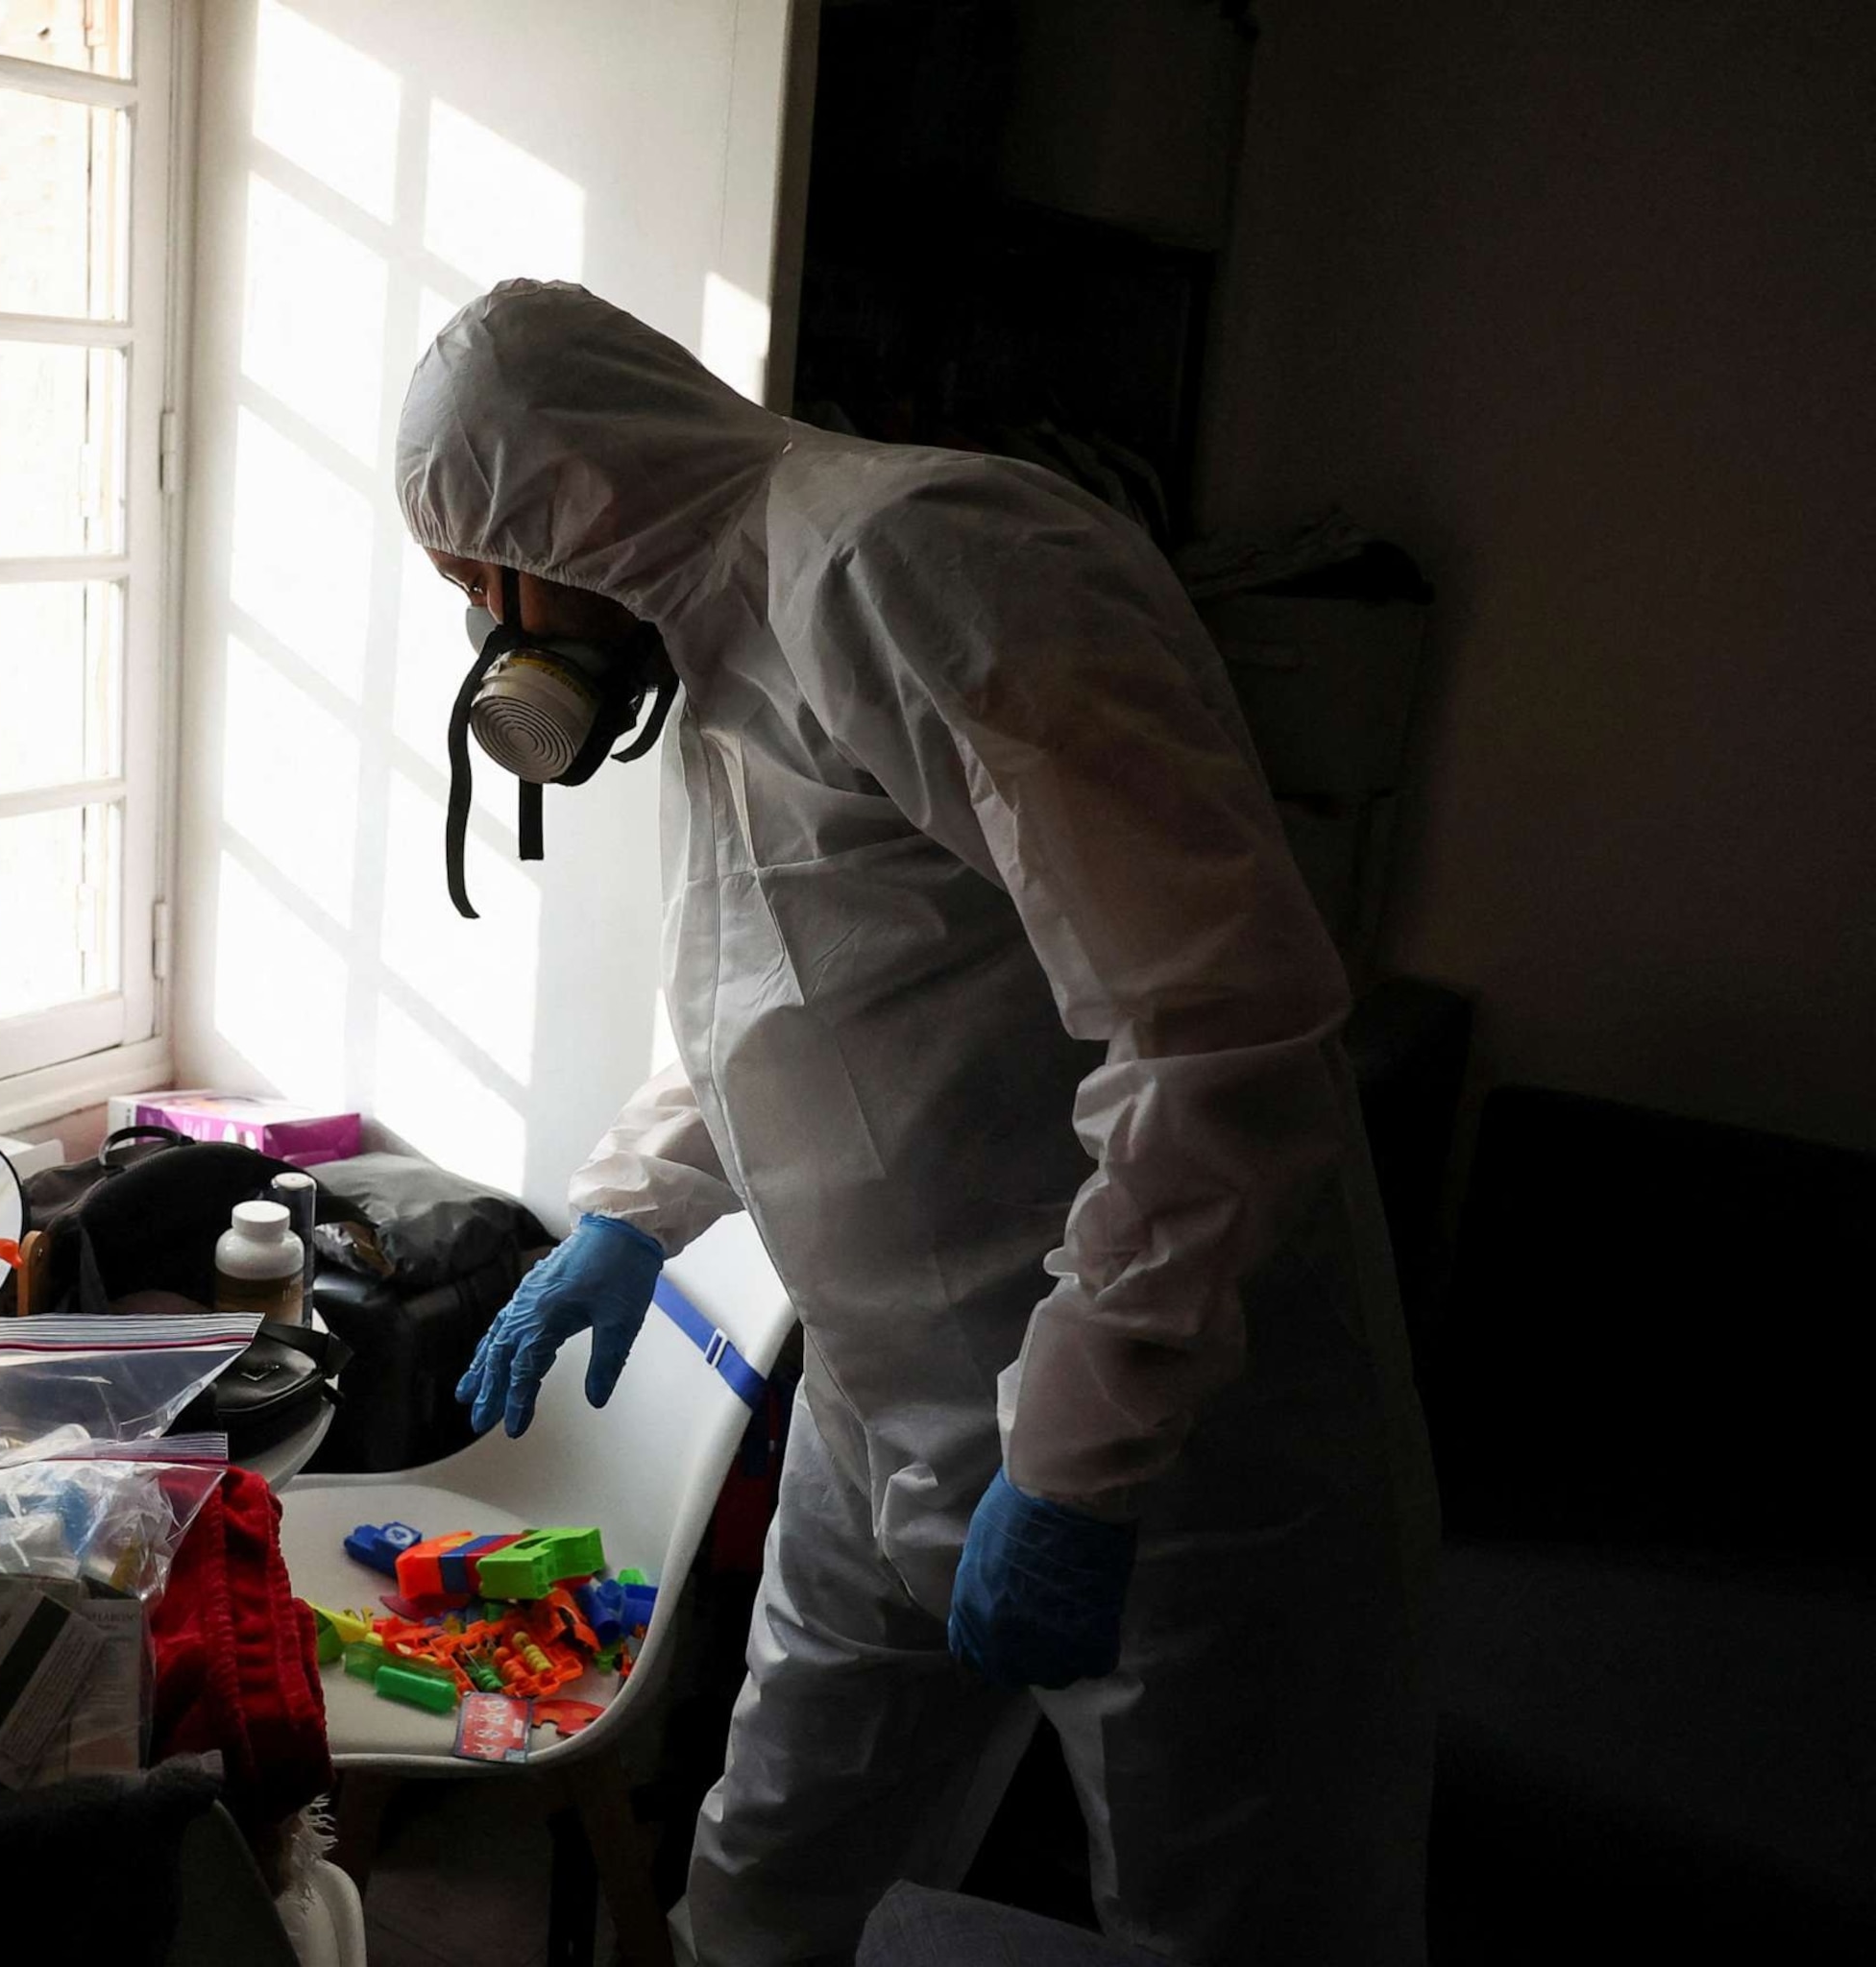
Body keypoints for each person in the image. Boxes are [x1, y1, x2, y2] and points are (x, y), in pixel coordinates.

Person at [397, 280, 1439, 1967]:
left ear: (561, 506)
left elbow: (1215, 1020)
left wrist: (1082, 1455)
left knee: (1230, 1911)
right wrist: (629, 1210)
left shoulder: (910, 563)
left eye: (483, 587)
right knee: (766, 1872)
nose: (497, 649)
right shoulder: (713, 647)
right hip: (887, 1405)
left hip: (1164, 1438)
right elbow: (800, 1008)